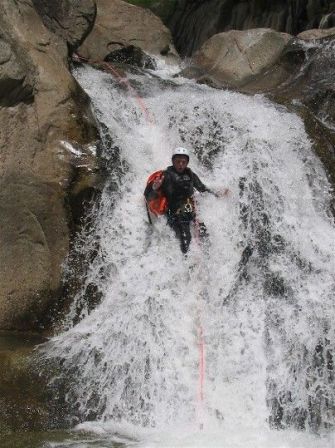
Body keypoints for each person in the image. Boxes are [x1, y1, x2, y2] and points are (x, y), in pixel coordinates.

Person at [144, 147, 228, 253]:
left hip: (189, 213)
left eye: (183, 162)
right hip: (174, 215)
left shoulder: (190, 175)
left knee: (205, 235)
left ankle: (207, 261)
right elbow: (148, 195)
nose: (180, 165)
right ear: (173, 161)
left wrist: (217, 193)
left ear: (187, 162)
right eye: (178, 161)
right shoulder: (165, 176)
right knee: (185, 241)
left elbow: (202, 188)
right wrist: (155, 188)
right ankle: (185, 265)